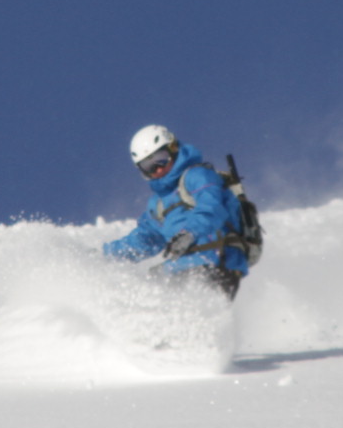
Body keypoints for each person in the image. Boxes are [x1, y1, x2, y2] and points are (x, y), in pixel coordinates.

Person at [101, 124, 250, 298]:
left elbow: (212, 207)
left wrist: (190, 233)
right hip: (182, 269)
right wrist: (105, 256)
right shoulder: (158, 203)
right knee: (144, 288)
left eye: (161, 159)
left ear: (173, 149)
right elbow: (144, 239)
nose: (158, 169)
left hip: (216, 262)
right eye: (149, 166)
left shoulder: (198, 176)